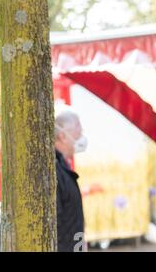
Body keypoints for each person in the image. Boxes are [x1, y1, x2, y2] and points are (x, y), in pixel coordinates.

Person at [54, 105, 88, 252]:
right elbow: (55, 223)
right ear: (62, 135)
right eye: (78, 131)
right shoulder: (54, 170)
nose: (82, 136)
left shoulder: (63, 166)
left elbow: (72, 218)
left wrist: (80, 244)